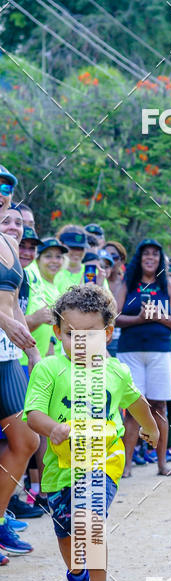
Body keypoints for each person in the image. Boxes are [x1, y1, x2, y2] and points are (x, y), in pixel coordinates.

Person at [24, 284, 159, 581]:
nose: (80, 342)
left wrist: (152, 428)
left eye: (90, 334)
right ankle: (77, 575)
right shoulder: (49, 369)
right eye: (72, 334)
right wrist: (52, 428)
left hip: (103, 462)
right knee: (68, 534)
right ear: (57, 332)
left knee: (89, 520)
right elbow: (34, 413)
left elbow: (137, 404)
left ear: (109, 334)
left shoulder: (116, 372)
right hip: (59, 470)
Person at [115, 238, 171, 476]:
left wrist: (158, 316)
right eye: (146, 253)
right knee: (135, 407)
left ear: (160, 259)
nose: (150, 258)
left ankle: (162, 464)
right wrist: (138, 319)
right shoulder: (129, 283)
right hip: (130, 351)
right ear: (139, 257)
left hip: (160, 352)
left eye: (155, 254)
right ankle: (126, 467)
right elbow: (113, 317)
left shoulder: (168, 285)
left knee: (159, 407)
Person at [0, 171, 40, 559]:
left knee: (26, 440)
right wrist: (6, 322)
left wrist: (31, 351)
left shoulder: (11, 253)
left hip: (7, 355)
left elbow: (14, 307)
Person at [55, 225, 87, 292]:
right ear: (60, 245)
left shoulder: (92, 272)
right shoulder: (52, 271)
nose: (77, 252)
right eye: (72, 247)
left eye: (81, 248)